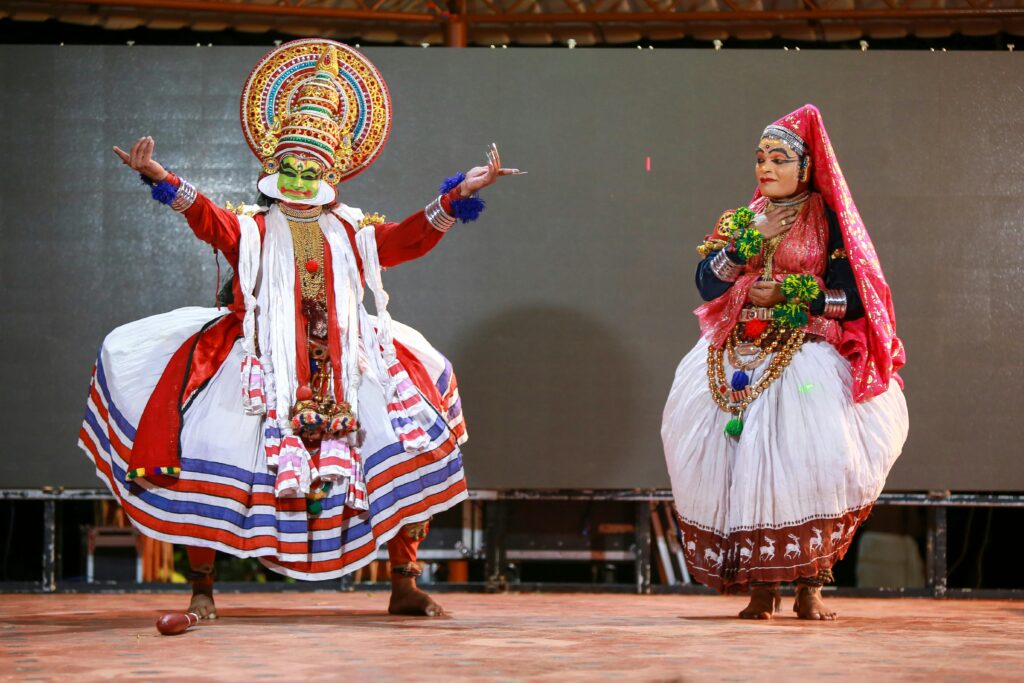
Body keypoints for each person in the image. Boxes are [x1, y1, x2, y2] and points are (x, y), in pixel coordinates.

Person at [79, 39, 516, 618]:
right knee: (207, 447)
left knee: (409, 448)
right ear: (273, 167)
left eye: (312, 170)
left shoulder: (353, 232)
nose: (302, 178)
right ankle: (203, 588)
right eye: (291, 167)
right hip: (263, 362)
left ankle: (405, 582)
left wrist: (459, 193)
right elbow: (209, 220)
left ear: (331, 170)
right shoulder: (253, 229)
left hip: (347, 365)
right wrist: (161, 178)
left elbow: (409, 238)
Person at [661, 104, 909, 620]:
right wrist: (749, 249)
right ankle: (760, 590)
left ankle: (810, 587)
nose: (765, 168)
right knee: (738, 466)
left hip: (806, 364)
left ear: (805, 167)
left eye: (778, 158)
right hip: (736, 357)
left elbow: (855, 299)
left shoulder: (829, 221)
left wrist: (800, 296)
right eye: (759, 159)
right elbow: (707, 284)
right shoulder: (739, 219)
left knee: (810, 465)